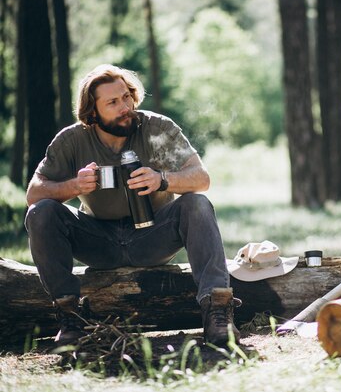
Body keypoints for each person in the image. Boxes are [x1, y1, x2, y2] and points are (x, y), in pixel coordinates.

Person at [24, 64, 240, 347]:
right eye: (112, 102)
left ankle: (217, 310)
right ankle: (70, 316)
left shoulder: (157, 128)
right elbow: (33, 193)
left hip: (152, 236)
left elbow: (202, 178)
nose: (124, 106)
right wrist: (74, 186)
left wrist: (162, 180)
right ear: (92, 113)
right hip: (98, 240)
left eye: (126, 97)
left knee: (197, 203)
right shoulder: (72, 139)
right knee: (41, 212)